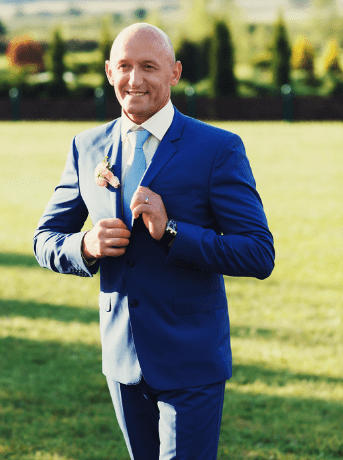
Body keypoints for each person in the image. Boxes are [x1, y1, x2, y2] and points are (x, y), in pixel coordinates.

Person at [34, 23, 274, 460]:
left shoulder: (217, 148)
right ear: (109, 72)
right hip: (122, 360)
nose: (135, 80)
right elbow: (44, 239)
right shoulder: (87, 147)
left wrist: (173, 232)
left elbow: (258, 252)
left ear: (175, 72)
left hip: (192, 358)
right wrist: (85, 247)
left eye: (149, 66)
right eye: (124, 67)